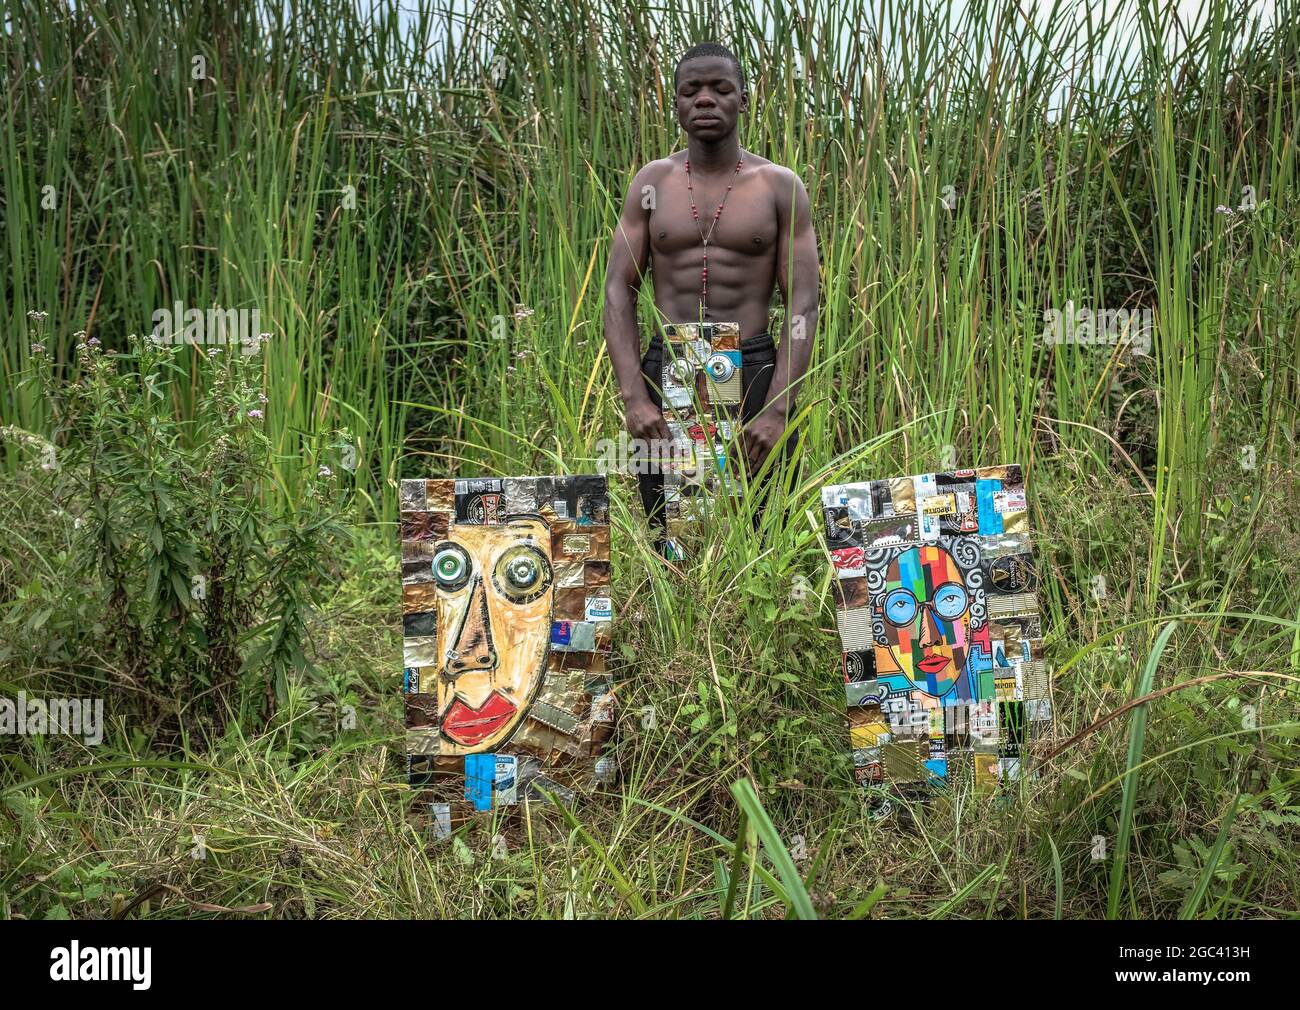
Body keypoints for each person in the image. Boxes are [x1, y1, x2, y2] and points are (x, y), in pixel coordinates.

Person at [602, 41, 820, 552]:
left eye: (721, 88)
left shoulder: (778, 186)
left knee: (762, 530)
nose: (705, 99)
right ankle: (679, 629)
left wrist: (779, 406)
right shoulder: (651, 183)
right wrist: (634, 396)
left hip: (752, 366)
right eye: (690, 90)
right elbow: (618, 287)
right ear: (675, 104)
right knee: (669, 532)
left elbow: (803, 303)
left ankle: (753, 629)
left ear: (743, 99)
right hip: (668, 365)